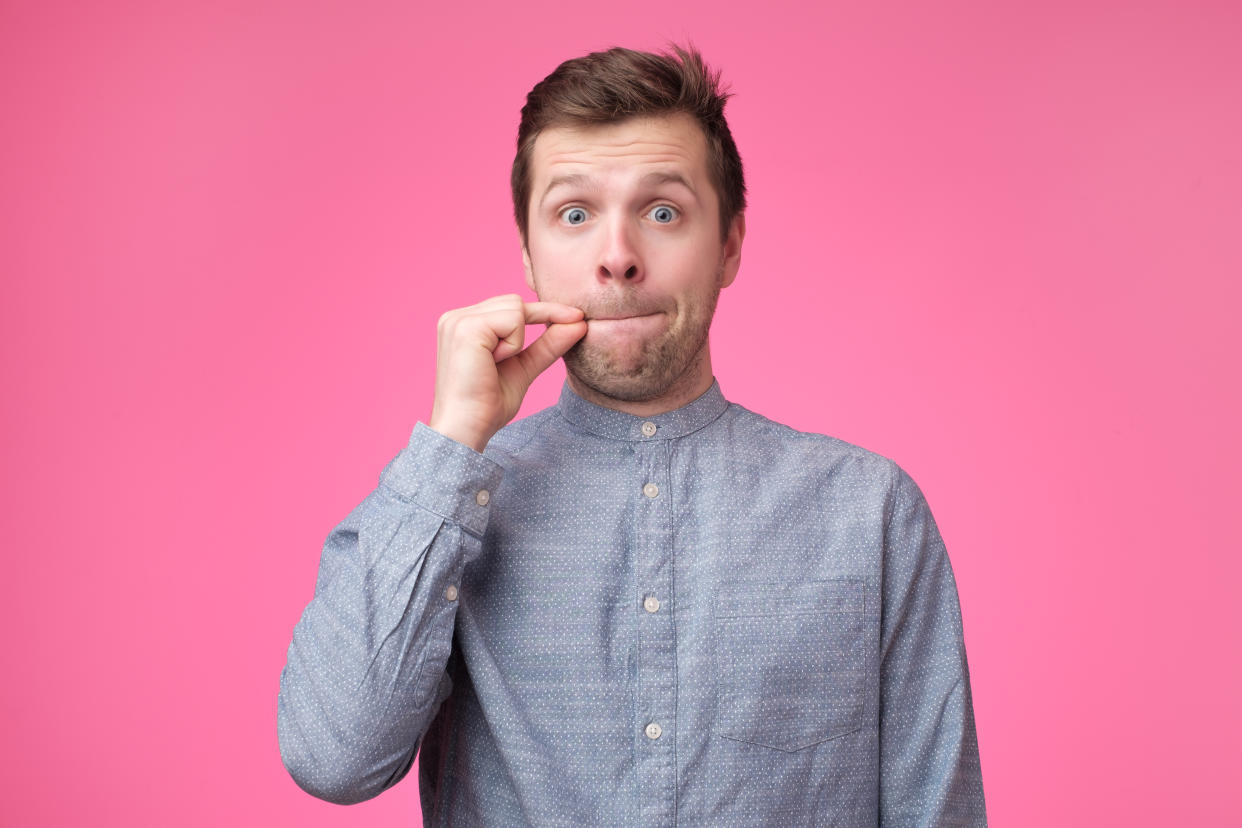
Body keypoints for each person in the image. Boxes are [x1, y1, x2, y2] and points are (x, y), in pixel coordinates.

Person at [278, 45, 986, 825]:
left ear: (730, 245)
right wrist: (452, 444)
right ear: (528, 253)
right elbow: (333, 759)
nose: (617, 258)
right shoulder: (449, 504)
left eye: (662, 212)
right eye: (574, 215)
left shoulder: (871, 511)